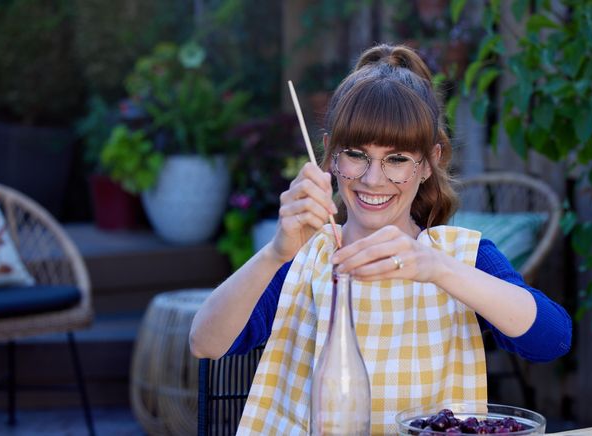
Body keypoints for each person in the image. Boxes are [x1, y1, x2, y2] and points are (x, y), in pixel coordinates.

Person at [190, 43, 571, 434]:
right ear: (331, 156)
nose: (373, 179)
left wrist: (437, 268)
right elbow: (206, 343)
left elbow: (552, 340)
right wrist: (274, 253)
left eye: (398, 159)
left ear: (429, 163)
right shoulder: (303, 256)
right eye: (356, 154)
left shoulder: (459, 257)